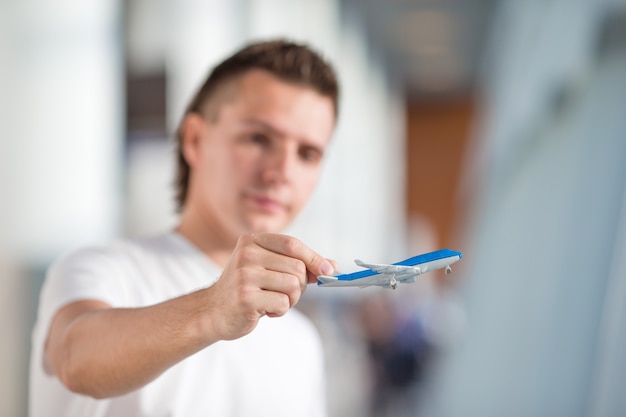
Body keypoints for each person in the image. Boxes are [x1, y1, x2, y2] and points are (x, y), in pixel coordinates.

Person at [29, 39, 340, 417]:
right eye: (259, 139)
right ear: (195, 139)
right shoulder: (101, 270)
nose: (281, 173)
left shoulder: (301, 343)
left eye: (307, 154)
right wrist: (212, 309)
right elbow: (75, 357)